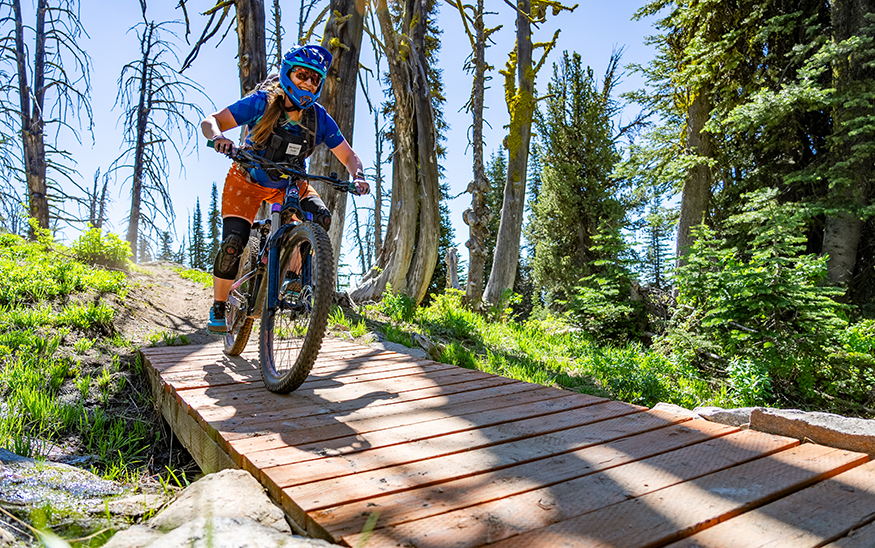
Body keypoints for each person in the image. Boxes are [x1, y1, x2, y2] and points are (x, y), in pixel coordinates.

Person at [201, 44, 369, 333]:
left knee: (320, 218)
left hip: (290, 182)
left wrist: (359, 176)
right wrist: (219, 138)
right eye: (302, 75)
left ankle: (293, 280)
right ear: (288, 74)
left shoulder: (318, 119)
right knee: (233, 243)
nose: (307, 82)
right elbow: (211, 121)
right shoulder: (262, 103)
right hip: (247, 180)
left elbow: (349, 156)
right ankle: (219, 306)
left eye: (314, 79)